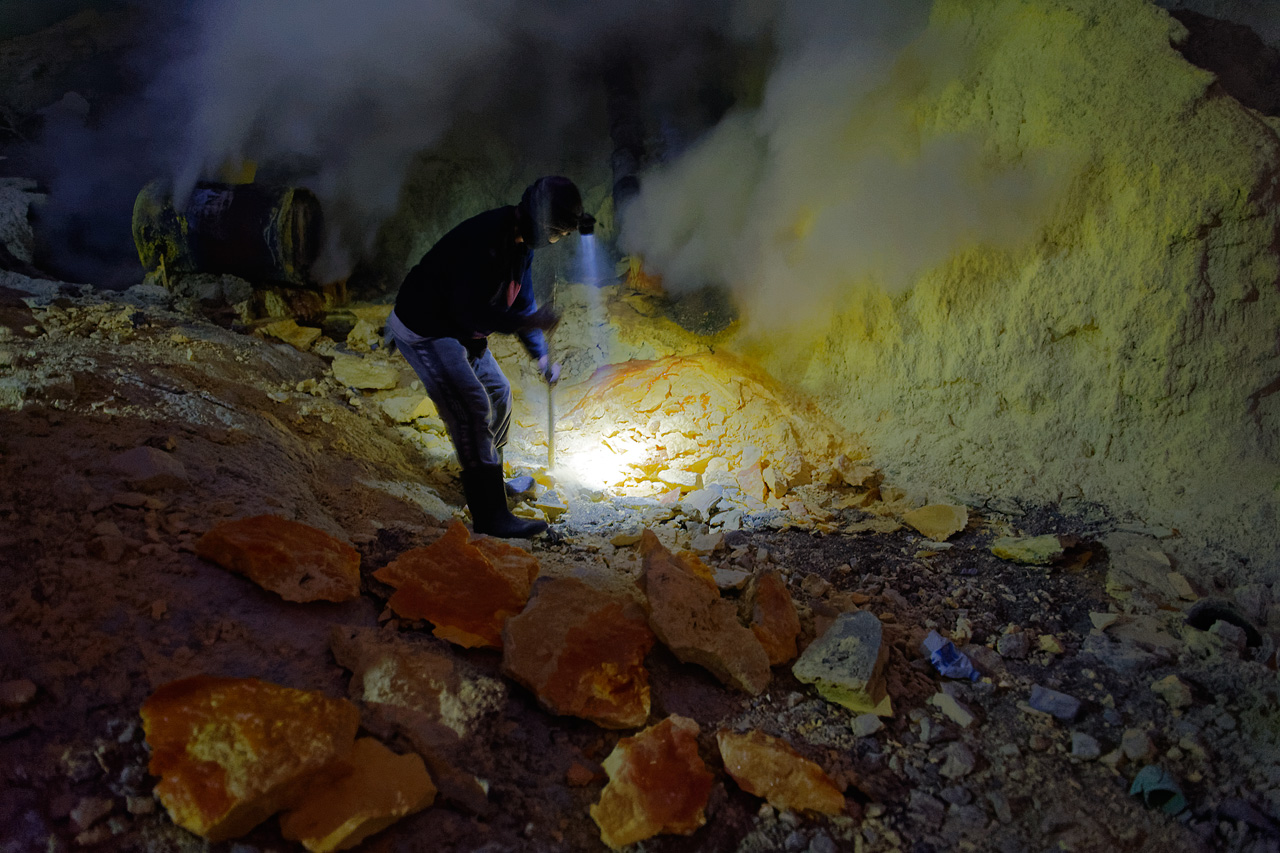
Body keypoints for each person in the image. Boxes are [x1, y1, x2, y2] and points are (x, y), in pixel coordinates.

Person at [387, 176, 593, 538]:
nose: (556, 241)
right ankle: (490, 515)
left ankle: (489, 478)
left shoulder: (520, 245)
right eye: (558, 233)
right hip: (427, 327)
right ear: (543, 223)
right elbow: (471, 313)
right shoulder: (484, 241)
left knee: (500, 392)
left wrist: (541, 358)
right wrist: (528, 321)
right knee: (470, 406)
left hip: (461, 327)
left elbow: (522, 302)